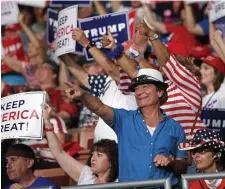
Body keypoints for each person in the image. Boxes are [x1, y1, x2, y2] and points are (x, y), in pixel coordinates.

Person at [63, 68, 187, 187]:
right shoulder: (124, 119)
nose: (139, 92)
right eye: (137, 88)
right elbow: (100, 108)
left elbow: (183, 166)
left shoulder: (175, 127)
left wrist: (171, 161)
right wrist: (83, 96)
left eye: (145, 87)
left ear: (160, 92)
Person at [42, 103, 118, 185]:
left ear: (111, 160)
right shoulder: (87, 176)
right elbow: (59, 153)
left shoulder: (121, 182)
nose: (93, 158)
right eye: (93, 154)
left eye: (99, 155)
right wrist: (47, 122)